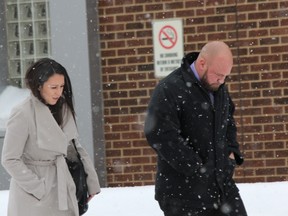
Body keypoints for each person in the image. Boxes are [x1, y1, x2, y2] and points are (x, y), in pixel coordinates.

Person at [144, 41, 247, 216]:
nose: (221, 81)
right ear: (201, 64)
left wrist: (231, 153)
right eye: (218, 75)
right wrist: (195, 167)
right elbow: (159, 133)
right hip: (183, 194)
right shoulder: (170, 89)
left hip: (222, 187)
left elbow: (228, 121)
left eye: (225, 76)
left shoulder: (218, 87)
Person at [1, 58, 100, 216]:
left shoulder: (64, 109)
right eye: (53, 87)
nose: (58, 92)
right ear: (39, 86)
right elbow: (10, 159)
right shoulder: (23, 113)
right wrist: (38, 188)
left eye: (61, 86)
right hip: (33, 198)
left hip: (63, 188)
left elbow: (74, 147)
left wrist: (90, 182)